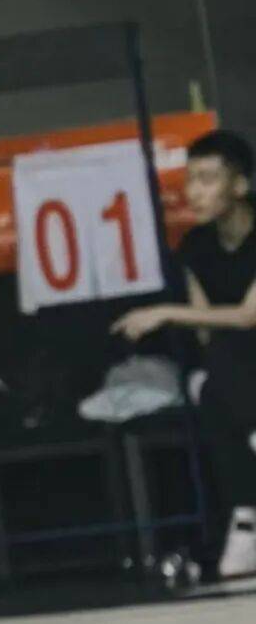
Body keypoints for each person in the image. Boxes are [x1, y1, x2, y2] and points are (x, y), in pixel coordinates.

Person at [113, 130, 256, 579]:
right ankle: (246, 520)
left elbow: (248, 316)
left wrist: (162, 313)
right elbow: (206, 327)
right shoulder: (194, 246)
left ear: (240, 185)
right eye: (190, 179)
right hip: (238, 369)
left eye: (208, 179)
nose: (194, 191)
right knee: (213, 385)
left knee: (218, 379)